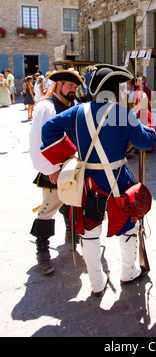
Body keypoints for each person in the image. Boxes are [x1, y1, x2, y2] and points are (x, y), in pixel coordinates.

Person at [40, 64, 156, 297]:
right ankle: (128, 271)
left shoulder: (77, 111)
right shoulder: (124, 114)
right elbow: (147, 142)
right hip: (117, 180)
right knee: (128, 226)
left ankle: (96, 283)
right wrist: (148, 123)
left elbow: (48, 129)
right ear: (114, 91)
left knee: (90, 232)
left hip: (88, 181)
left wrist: (69, 154)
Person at [29, 69, 84, 275]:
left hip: (73, 167)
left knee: (72, 203)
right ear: (58, 84)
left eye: (75, 88)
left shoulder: (74, 105)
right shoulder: (45, 107)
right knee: (48, 209)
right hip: (54, 168)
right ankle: (42, 251)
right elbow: (37, 142)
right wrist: (50, 169)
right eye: (69, 86)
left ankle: (71, 235)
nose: (72, 90)